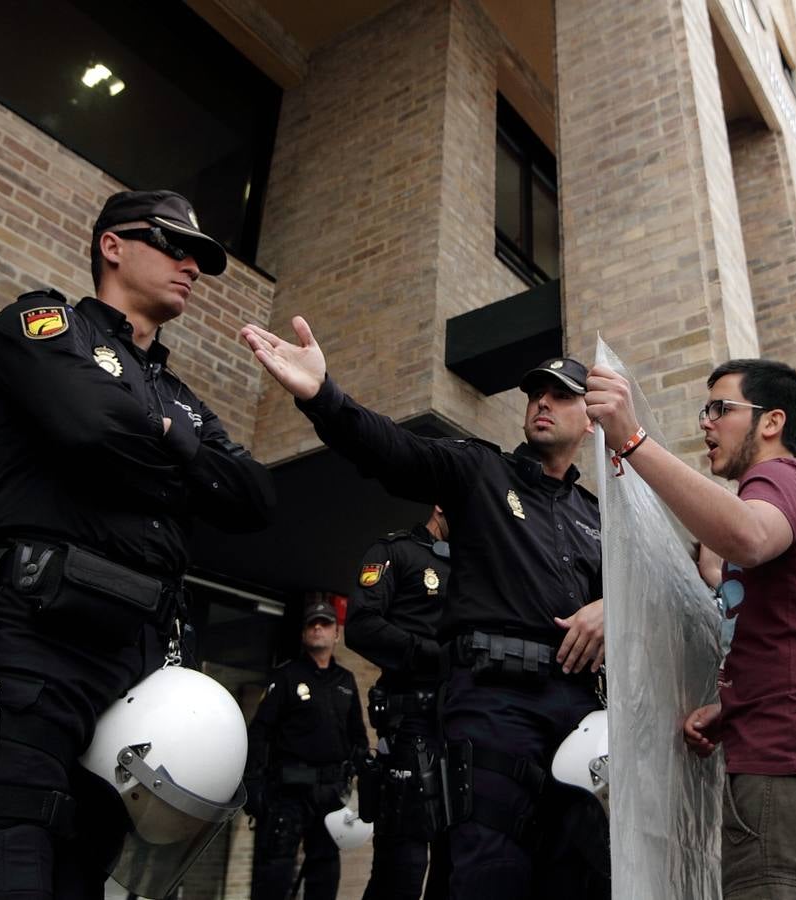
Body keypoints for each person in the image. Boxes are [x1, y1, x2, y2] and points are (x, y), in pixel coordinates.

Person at [0, 189, 276, 898]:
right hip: (34, 645)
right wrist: (186, 461)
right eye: (172, 246)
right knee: (1, 870)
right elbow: (87, 424)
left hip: (136, 674)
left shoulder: (181, 399)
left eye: (198, 257)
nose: (191, 266)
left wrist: (163, 436)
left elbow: (252, 499)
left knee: (80, 878)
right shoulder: (42, 326)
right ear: (112, 246)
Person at [240, 318, 608, 900]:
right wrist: (323, 396)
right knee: (488, 875)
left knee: (577, 878)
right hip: (494, 704)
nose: (543, 402)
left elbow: (647, 603)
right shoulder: (479, 470)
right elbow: (393, 450)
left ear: (590, 419)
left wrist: (611, 606)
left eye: (562, 395)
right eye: (536, 392)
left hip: (578, 710)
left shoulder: (596, 516)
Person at [585, 358, 796, 898]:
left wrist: (632, 440)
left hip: (795, 783)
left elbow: (749, 535)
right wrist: (735, 708)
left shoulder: (782, 478)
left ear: (771, 421)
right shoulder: (793, 493)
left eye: (720, 408)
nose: (706, 422)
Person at [347, 506, 452, 900]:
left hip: (460, 721)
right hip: (411, 722)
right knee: (402, 866)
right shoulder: (396, 551)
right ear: (440, 506)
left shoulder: (474, 567)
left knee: (454, 862)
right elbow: (361, 625)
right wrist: (431, 654)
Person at [245, 599, 368, 900]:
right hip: (288, 792)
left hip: (331, 793)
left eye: (325, 624)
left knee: (325, 872)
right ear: (303, 634)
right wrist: (253, 784)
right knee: (275, 871)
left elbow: (358, 736)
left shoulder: (346, 680)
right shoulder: (286, 676)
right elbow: (259, 732)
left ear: (336, 634)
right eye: (312, 624)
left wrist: (363, 777)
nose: (318, 628)